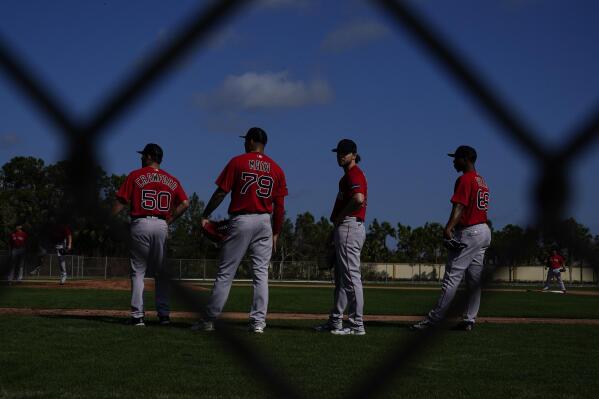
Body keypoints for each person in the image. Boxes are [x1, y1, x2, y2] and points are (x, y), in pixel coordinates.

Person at [194, 127, 287, 333]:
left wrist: (206, 213)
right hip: (264, 221)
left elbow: (221, 192)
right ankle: (258, 323)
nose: (244, 143)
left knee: (226, 273)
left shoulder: (238, 161)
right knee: (261, 274)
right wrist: (276, 232)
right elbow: (279, 207)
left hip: (242, 219)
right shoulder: (277, 169)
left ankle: (208, 320)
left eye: (246, 140)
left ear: (253, 141)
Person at [411, 145, 491, 331]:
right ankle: (469, 319)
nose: (453, 161)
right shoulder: (482, 180)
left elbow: (459, 206)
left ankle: (434, 319)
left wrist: (449, 227)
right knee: (474, 280)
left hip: (470, 231)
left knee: (452, 277)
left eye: (456, 158)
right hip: (484, 230)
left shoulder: (465, 179)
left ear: (465, 159)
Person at [113, 143, 189, 327]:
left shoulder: (135, 175)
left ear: (148, 157)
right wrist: (168, 220)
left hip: (141, 224)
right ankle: (164, 315)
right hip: (161, 224)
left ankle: (138, 316)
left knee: (138, 272)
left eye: (142, 156)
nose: (140, 158)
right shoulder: (171, 179)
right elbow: (185, 203)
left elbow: (122, 201)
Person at [314, 139, 367, 336]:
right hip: (346, 227)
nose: (341, 155)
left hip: (350, 226)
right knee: (343, 280)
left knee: (352, 278)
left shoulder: (354, 173)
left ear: (354, 155)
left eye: (345, 153)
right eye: (339, 152)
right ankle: (335, 321)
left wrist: (341, 217)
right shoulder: (346, 177)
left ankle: (356, 325)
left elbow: (358, 198)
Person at [30, 220, 72, 284]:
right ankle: (37, 268)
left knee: (61, 259)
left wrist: (69, 245)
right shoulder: (50, 228)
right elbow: (46, 237)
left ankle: (64, 275)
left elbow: (69, 236)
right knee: (42, 253)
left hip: (61, 243)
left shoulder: (63, 227)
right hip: (51, 243)